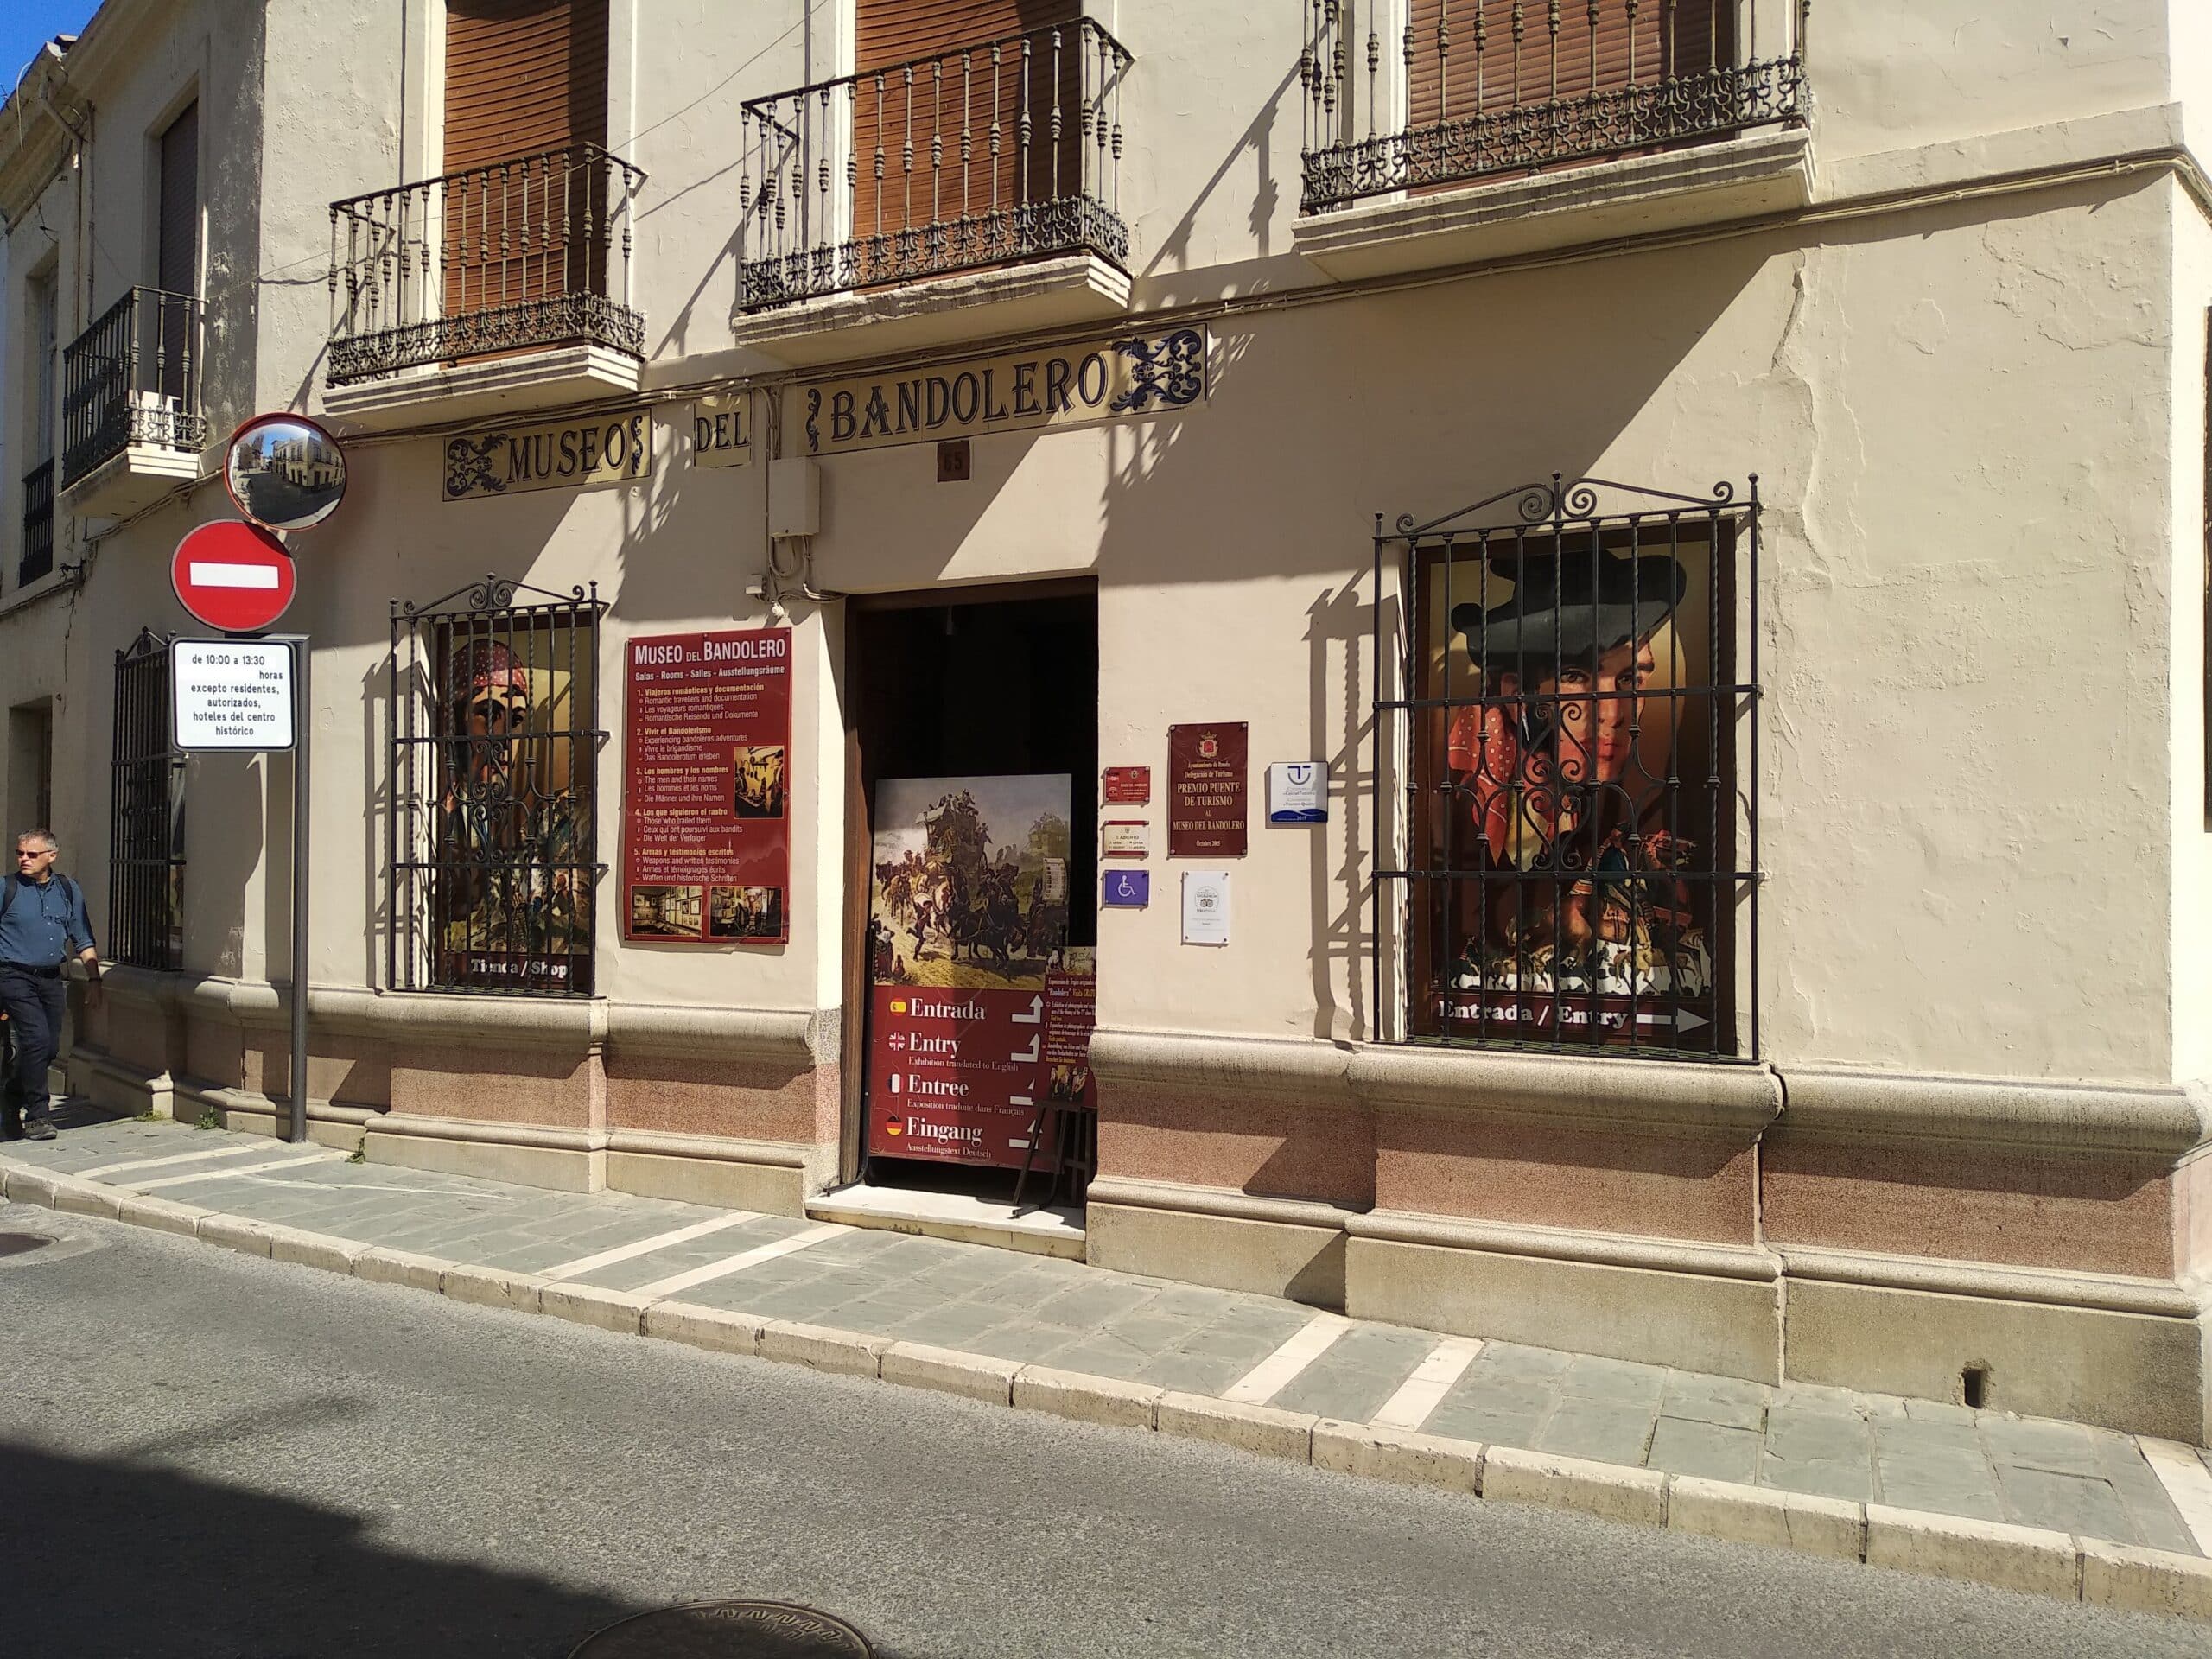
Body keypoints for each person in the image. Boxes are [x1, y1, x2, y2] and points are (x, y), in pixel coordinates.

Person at [0, 829, 103, 1141]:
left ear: (51, 856)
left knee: (49, 1047)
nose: (24, 859)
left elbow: (82, 938)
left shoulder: (68, 891)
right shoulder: (7, 888)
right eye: (20, 853)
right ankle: (38, 1116)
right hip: (13, 975)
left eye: (32, 854)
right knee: (34, 1039)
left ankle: (9, 1100)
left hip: (50, 979)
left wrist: (94, 979)